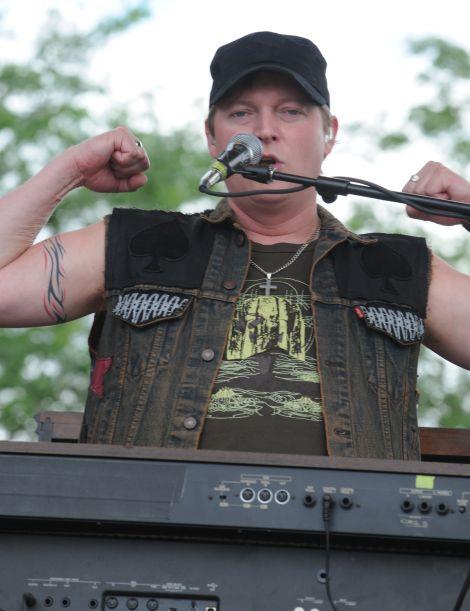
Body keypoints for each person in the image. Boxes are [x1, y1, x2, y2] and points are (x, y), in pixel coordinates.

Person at [0, 31, 469, 459]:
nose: (264, 130)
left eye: (291, 111)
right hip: (155, 524)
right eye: (241, 113)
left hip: (349, 527)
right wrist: (69, 171)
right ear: (212, 138)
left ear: (329, 134)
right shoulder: (137, 245)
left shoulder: (396, 268)